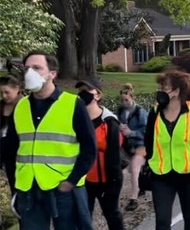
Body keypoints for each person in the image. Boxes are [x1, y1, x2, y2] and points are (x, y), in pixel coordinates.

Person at [8, 51, 96, 229]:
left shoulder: (72, 104)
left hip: (63, 188)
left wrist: (72, 180)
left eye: (37, 68)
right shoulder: (20, 106)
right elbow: (11, 150)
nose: (29, 73)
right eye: (26, 69)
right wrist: (15, 184)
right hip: (29, 188)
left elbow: (89, 148)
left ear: (52, 74)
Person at [145, 70, 190, 230]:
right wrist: (151, 158)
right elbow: (148, 140)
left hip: (189, 175)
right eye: (160, 87)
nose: (161, 91)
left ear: (177, 91)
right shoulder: (154, 112)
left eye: (165, 88)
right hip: (161, 175)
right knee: (162, 222)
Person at [76, 78, 125, 230]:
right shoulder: (76, 119)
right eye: (80, 91)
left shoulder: (109, 121)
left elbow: (115, 156)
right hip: (84, 180)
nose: (82, 94)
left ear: (98, 95)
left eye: (87, 90)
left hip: (107, 180)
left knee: (111, 214)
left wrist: (113, 182)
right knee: (83, 217)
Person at [117, 83, 149, 211]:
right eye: (122, 100)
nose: (125, 102)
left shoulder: (140, 112)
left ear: (132, 97)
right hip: (127, 146)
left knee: (134, 169)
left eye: (127, 100)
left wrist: (132, 132)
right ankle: (140, 186)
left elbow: (147, 130)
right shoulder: (120, 111)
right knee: (129, 170)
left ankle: (133, 199)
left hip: (141, 144)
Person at [0, 75, 22, 195]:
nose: (4, 96)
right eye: (1, 92)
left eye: (7, 92)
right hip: (4, 152)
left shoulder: (25, 106)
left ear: (17, 88)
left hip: (18, 152)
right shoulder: (1, 106)